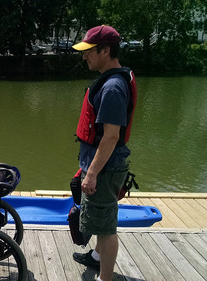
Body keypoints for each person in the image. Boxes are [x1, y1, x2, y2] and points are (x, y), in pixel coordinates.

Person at [71, 25, 137, 281]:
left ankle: (105, 278)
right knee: (101, 218)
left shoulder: (112, 89)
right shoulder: (115, 80)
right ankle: (96, 257)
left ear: (106, 51)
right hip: (104, 165)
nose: (84, 56)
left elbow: (111, 137)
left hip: (106, 169)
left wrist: (92, 174)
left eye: (89, 51)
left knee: (107, 227)